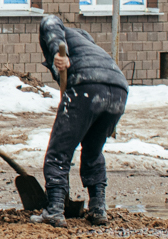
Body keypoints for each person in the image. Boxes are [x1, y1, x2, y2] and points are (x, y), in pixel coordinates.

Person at [31, 14, 130, 227]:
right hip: (118, 91)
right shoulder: (89, 46)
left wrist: (59, 49)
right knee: (93, 151)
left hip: (87, 87)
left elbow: (50, 21)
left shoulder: (61, 34)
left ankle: (55, 210)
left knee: (59, 151)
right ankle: (98, 208)